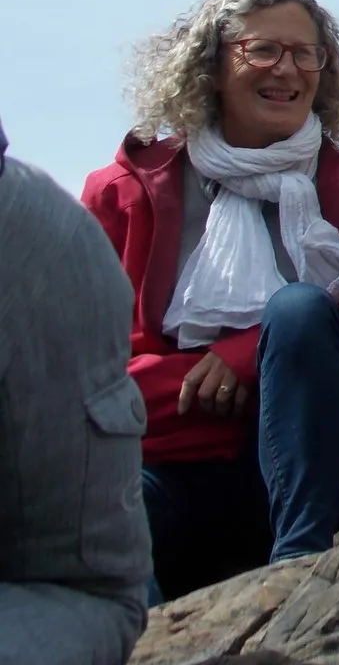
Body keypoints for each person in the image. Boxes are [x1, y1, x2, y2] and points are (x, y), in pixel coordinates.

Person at [81, 0, 339, 601]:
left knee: (300, 309)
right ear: (213, 66)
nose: (287, 70)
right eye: (263, 50)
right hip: (153, 470)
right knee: (99, 526)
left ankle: (298, 583)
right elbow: (87, 372)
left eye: (305, 53)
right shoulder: (121, 192)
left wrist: (246, 357)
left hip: (294, 473)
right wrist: (204, 384)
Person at [0, 123, 150, 664]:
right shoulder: (125, 189)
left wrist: (237, 356)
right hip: (161, 451)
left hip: (209, 463)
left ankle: (295, 555)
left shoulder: (43, 247)